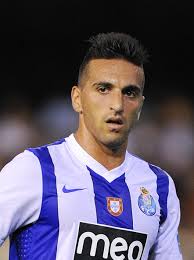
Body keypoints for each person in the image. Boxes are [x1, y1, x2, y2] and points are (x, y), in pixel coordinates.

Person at [0, 32, 182, 260]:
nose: (117, 105)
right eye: (103, 89)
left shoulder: (159, 187)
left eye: (129, 92)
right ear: (77, 99)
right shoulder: (33, 169)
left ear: (140, 106)